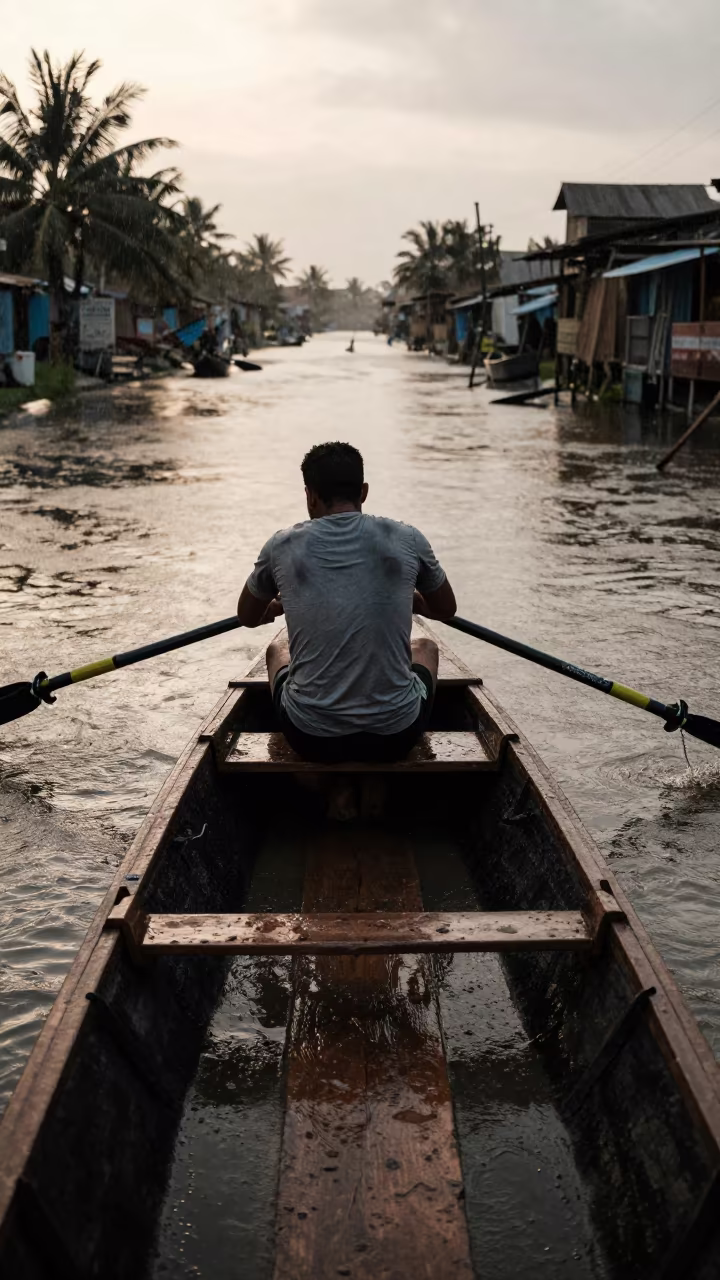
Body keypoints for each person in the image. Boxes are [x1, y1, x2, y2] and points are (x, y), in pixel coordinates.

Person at [236, 441, 457, 765]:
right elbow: (446, 609)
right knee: (425, 647)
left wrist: (269, 609)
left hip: (310, 738)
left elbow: (246, 616)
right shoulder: (408, 538)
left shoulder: (281, 546)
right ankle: (379, 783)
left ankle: (325, 785)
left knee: (276, 651)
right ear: (363, 491)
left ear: (309, 494)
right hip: (396, 736)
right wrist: (415, 602)